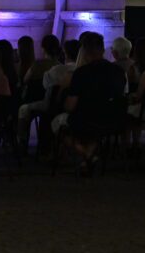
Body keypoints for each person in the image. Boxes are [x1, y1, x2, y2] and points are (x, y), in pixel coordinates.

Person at [52, 33, 127, 167]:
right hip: (112, 119)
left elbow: (70, 106)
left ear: (84, 51)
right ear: (103, 50)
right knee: (95, 131)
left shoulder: (81, 73)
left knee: (56, 124)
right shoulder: (118, 72)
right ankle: (88, 158)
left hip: (84, 119)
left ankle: (85, 153)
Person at [17, 38, 78, 150]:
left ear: (43, 48)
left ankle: (21, 140)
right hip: (61, 105)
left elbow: (26, 80)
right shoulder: (61, 66)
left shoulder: (42, 66)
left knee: (23, 109)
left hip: (42, 102)